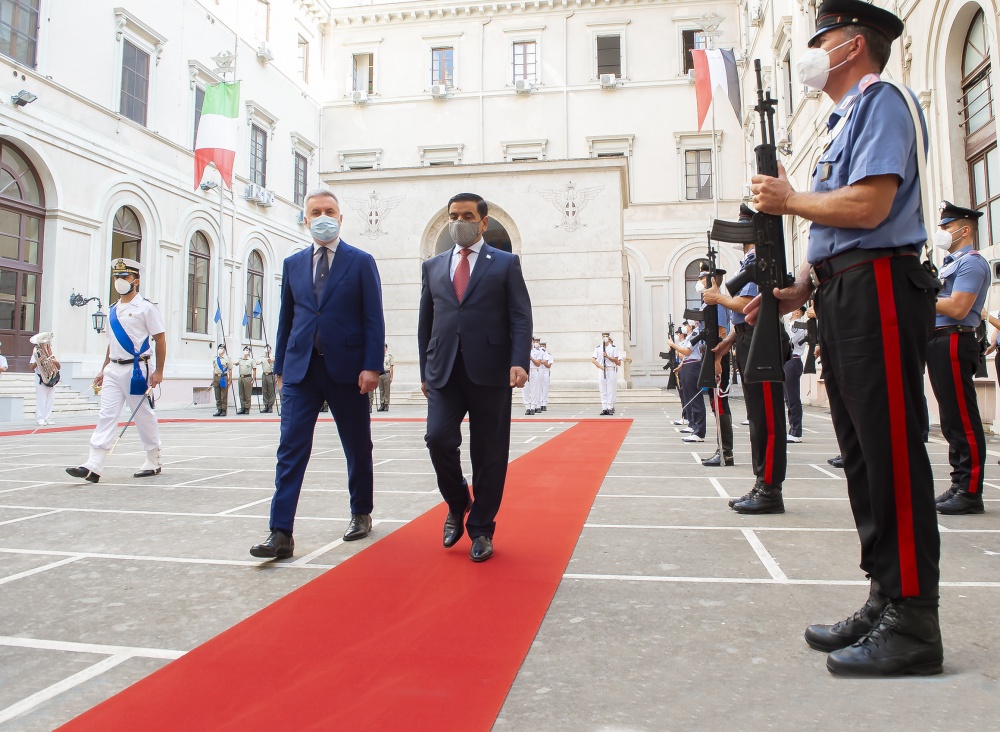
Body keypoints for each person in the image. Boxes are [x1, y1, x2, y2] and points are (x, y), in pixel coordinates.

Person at [749, 0, 942, 676]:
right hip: (844, 289)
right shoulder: (843, 120)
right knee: (862, 455)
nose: (813, 48)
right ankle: (885, 595)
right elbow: (837, 221)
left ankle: (915, 619)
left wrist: (789, 201)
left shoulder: (881, 100)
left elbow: (871, 204)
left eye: (822, 37)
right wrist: (803, 284)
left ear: (852, 44)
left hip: (881, 284)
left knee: (889, 451)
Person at [250, 188, 385, 559]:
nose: (322, 217)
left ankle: (361, 512)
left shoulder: (360, 261)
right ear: (305, 218)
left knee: (357, 445)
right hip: (301, 370)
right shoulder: (293, 264)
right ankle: (281, 532)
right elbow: (286, 319)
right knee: (290, 449)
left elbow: (374, 318)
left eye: (329, 211)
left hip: (349, 371)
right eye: (315, 212)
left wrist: (372, 365)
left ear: (340, 218)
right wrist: (280, 369)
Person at [418, 192, 532, 563]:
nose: (458, 222)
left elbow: (520, 316)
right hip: (443, 371)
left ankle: (481, 528)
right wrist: (424, 369)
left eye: (467, 216)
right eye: (453, 216)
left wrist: (519, 361)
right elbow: (425, 323)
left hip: (491, 370)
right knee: (437, 439)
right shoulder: (433, 266)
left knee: (489, 454)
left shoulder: (505, 263)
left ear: (483, 222)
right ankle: (457, 501)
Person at [704, 203, 788, 514]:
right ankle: (762, 483)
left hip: (762, 338)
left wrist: (719, 299)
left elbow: (749, 303)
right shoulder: (751, 258)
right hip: (750, 338)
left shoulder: (760, 258)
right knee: (758, 418)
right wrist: (728, 342)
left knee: (766, 417)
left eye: (743, 226)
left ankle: (769, 487)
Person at [66, 258, 165, 482]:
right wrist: (103, 369)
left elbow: (160, 339)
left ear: (136, 280)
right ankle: (93, 464)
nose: (119, 281)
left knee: (142, 415)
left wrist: (158, 371)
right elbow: (112, 344)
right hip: (113, 368)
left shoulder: (146, 308)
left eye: (124, 277)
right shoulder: (112, 310)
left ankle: (153, 458)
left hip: (136, 369)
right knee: (106, 415)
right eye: (116, 277)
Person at [927, 202, 989, 515]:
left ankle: (971, 490)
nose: (942, 233)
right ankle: (958, 482)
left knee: (963, 419)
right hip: (939, 341)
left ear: (964, 230)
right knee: (951, 419)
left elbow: (957, 308)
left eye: (946, 228)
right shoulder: (950, 263)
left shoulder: (972, 263)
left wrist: (924, 293)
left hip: (955, 338)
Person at [667, 323, 706, 443]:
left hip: (694, 365)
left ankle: (699, 430)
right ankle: (693, 426)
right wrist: (681, 365)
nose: (692, 324)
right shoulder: (692, 335)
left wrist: (673, 345)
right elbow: (685, 356)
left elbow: (687, 352)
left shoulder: (697, 333)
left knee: (695, 398)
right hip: (688, 365)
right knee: (689, 397)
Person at [785, 307, 810, 443]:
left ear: (798, 312)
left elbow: (791, 339)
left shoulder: (797, 324)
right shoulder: (790, 324)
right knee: (788, 399)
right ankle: (792, 429)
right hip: (787, 361)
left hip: (793, 360)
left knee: (793, 398)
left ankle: (796, 432)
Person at [29, 332, 60, 426]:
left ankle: (47, 418)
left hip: (51, 377)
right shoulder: (37, 353)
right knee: (41, 399)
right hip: (41, 377)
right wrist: (38, 361)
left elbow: (59, 367)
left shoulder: (51, 354)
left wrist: (54, 361)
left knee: (50, 399)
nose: (47, 345)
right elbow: (31, 367)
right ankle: (40, 418)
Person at [592, 333, 621, 415]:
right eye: (604, 336)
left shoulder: (613, 348)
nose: (605, 338)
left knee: (610, 389)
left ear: (609, 338)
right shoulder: (598, 348)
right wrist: (600, 366)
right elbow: (593, 359)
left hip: (611, 369)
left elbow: (617, 361)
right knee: (603, 389)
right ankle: (604, 408)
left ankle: (610, 407)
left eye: (606, 336)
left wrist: (608, 356)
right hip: (602, 370)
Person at [212, 345, 232, 417]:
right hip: (216, 377)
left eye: (221, 348)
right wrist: (213, 379)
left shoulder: (227, 359)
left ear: (224, 350)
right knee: (217, 395)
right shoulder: (215, 359)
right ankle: (219, 409)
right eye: (219, 348)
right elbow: (214, 370)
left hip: (223, 378)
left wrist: (230, 380)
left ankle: (224, 410)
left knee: (224, 395)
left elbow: (230, 370)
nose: (220, 349)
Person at [526, 337, 543, 414]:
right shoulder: (523, 351)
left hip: (534, 371)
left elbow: (538, 363)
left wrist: (531, 358)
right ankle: (527, 407)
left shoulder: (537, 352)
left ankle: (533, 407)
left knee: (534, 390)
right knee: (525, 390)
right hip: (525, 371)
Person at [236, 346, 255, 414]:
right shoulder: (240, 360)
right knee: (241, 393)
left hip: (248, 377)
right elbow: (235, 363)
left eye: (247, 350)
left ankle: (247, 408)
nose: (245, 351)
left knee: (247, 394)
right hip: (241, 377)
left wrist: (253, 379)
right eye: (244, 350)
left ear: (249, 352)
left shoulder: (251, 360)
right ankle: (242, 407)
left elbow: (254, 369)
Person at [258, 344, 276, 413]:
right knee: (265, 391)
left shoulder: (272, 357)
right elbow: (258, 362)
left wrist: (269, 354)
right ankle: (266, 406)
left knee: (271, 391)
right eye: (265, 348)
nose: (266, 350)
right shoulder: (262, 357)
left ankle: (270, 406)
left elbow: (270, 360)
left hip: (270, 375)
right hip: (264, 375)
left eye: (268, 348)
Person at [377, 343, 394, 411]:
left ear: (386, 348)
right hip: (380, 374)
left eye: (384, 347)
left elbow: (391, 367)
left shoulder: (389, 356)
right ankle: (382, 404)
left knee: (387, 390)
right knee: (381, 390)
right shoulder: (378, 356)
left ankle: (386, 404)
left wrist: (391, 377)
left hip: (386, 373)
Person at [539, 341, 553, 411]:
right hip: (539, 371)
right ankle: (539, 403)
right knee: (539, 388)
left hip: (545, 372)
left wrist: (543, 362)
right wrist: (543, 361)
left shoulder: (549, 355)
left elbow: (548, 365)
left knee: (545, 388)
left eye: (543, 346)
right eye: (541, 345)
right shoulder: (538, 353)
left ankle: (544, 404)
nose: (542, 347)